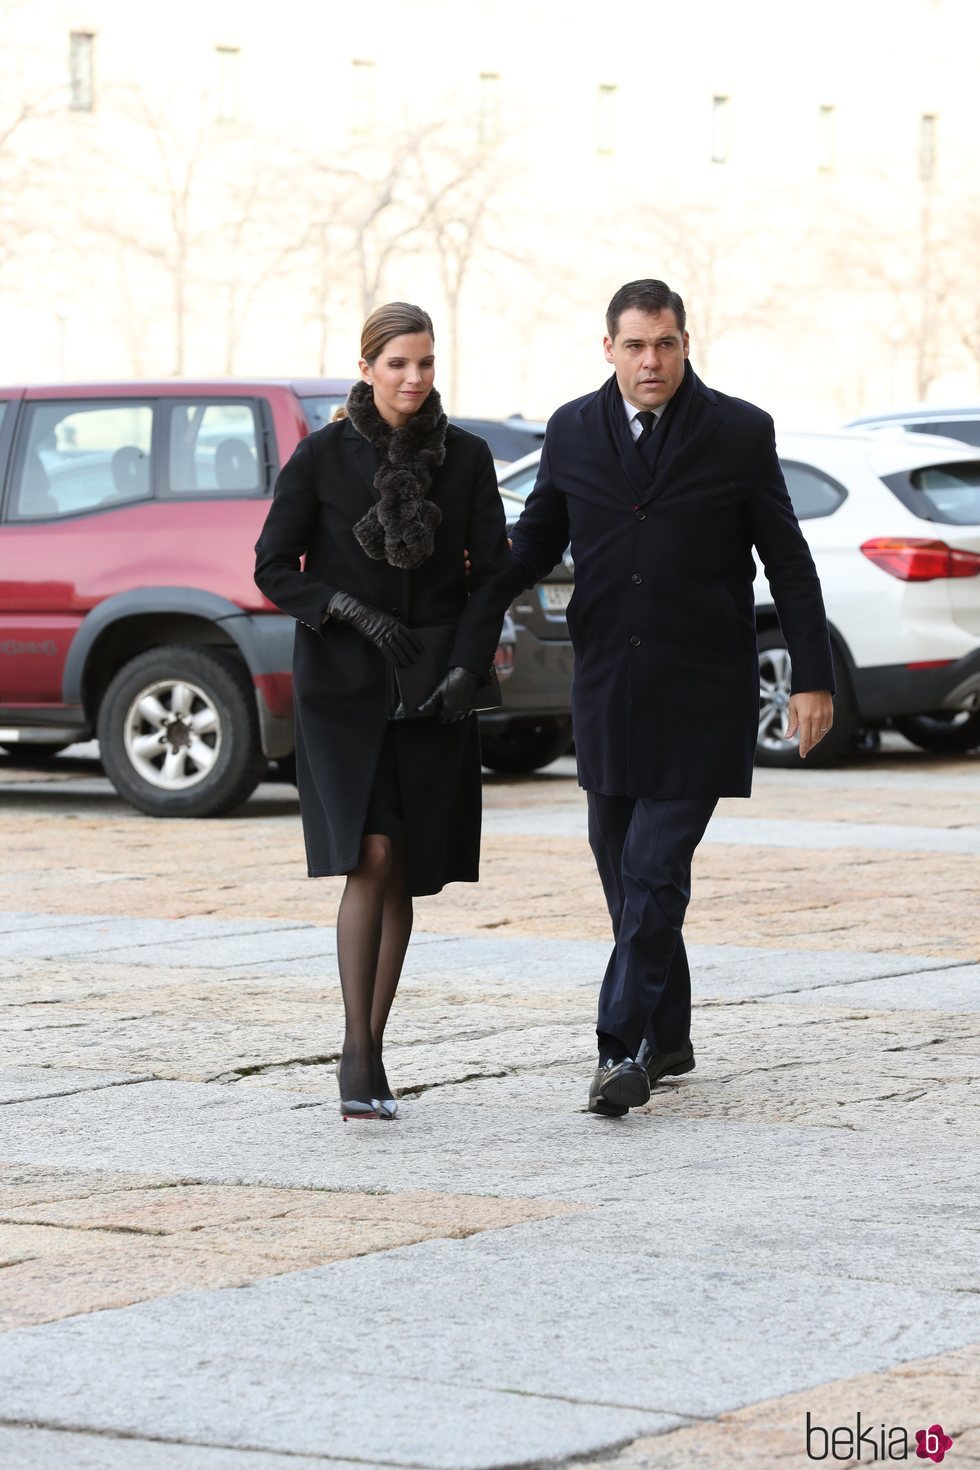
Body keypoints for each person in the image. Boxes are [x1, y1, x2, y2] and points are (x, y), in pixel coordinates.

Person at [506, 279, 835, 1117]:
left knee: (654, 872)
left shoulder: (738, 430)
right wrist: (460, 597)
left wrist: (813, 676)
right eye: (635, 346)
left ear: (687, 343)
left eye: (666, 344)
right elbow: (537, 537)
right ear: (608, 348)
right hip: (609, 685)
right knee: (625, 875)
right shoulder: (573, 428)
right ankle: (675, 1033)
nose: (651, 362)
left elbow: (788, 561)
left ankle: (620, 1049)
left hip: (703, 691)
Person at [254, 302, 510, 1120]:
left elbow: (492, 576)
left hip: (432, 684)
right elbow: (271, 567)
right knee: (368, 852)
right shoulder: (322, 456)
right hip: (340, 687)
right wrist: (345, 610)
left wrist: (471, 667)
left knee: (402, 861)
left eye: (426, 363)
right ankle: (357, 1053)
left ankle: (375, 1036)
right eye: (398, 363)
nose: (413, 378)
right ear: (366, 368)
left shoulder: (466, 457)